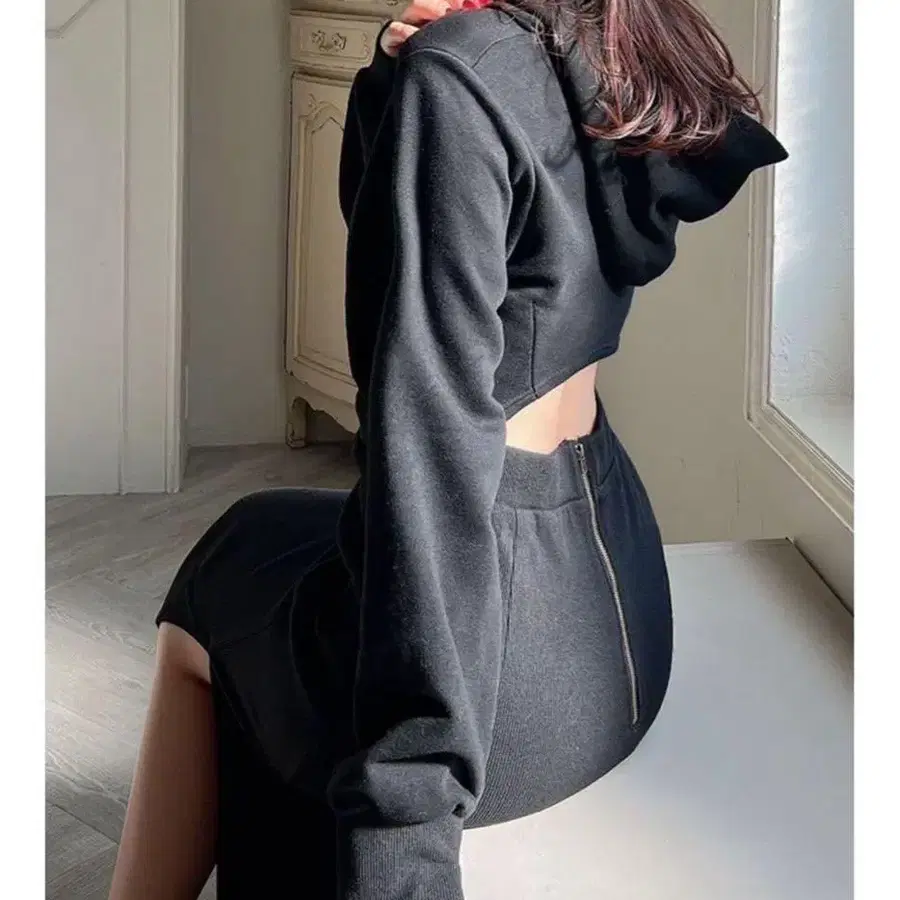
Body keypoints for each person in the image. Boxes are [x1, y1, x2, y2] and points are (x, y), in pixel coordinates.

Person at [109, 1, 786, 897]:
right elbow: (435, 246)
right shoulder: (605, 35)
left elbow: (431, 459)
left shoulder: (461, 74)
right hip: (613, 601)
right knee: (260, 528)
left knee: (219, 577)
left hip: (507, 684)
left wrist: (408, 819)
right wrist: (393, 78)